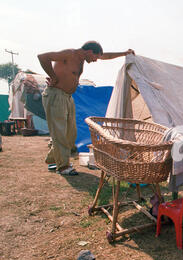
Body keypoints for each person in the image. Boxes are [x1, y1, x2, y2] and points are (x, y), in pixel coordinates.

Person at [38, 41, 135, 175]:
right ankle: (63, 166)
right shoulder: (69, 54)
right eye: (95, 57)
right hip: (56, 95)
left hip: (68, 97)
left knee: (70, 134)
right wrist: (53, 76)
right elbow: (43, 57)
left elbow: (105, 56)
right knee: (59, 131)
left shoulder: (82, 59)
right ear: (89, 51)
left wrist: (124, 53)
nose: (95, 61)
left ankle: (54, 159)